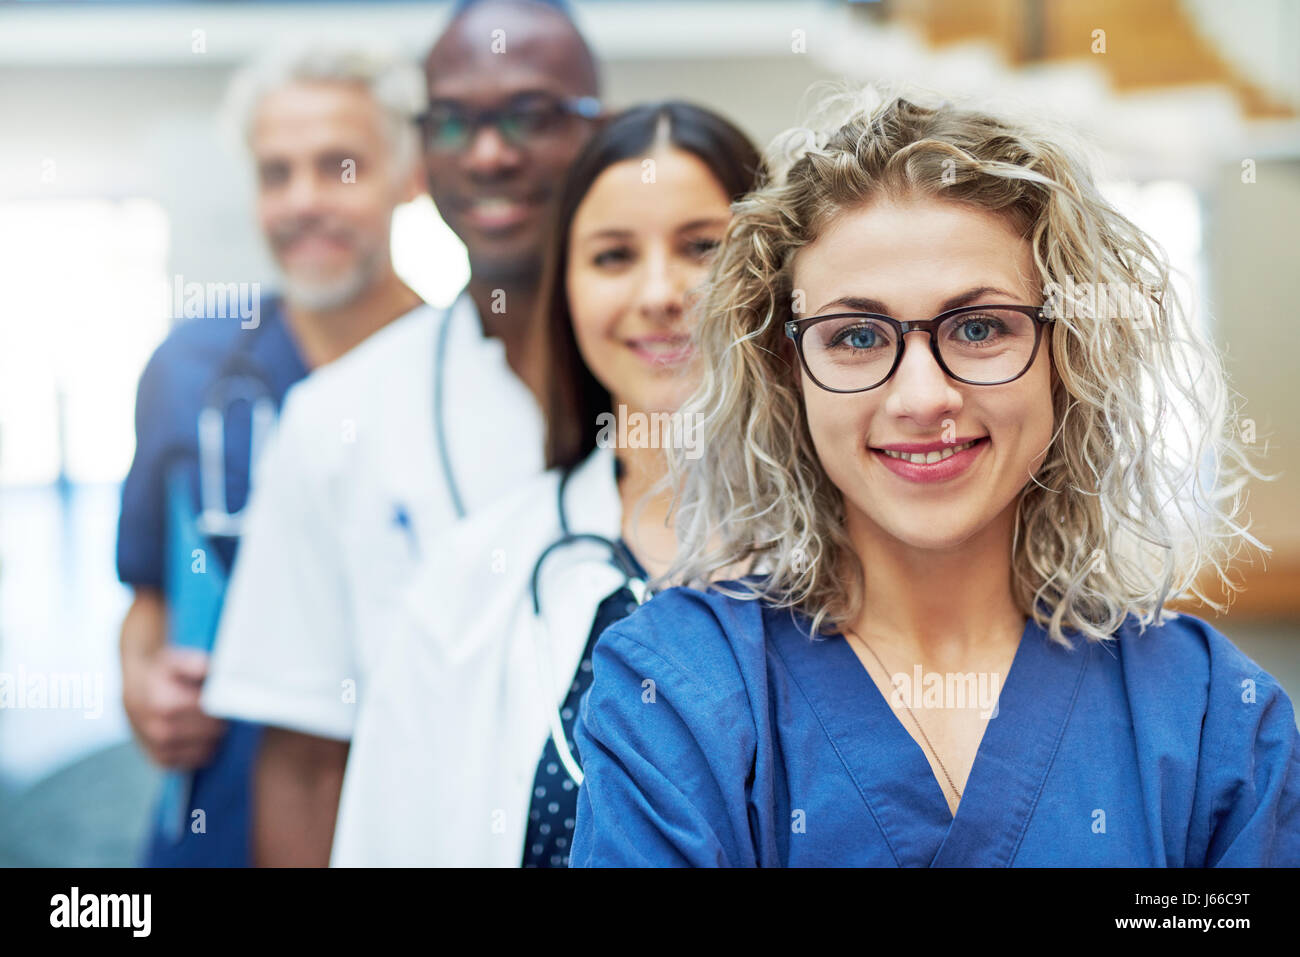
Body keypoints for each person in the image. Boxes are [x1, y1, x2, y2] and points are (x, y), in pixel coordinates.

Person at [570, 87, 1300, 867]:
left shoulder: (1211, 716)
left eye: (980, 327)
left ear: (1066, 352)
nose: (924, 398)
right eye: (855, 335)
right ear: (791, 370)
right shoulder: (678, 694)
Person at [200, 0, 604, 866]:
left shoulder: (703, 405)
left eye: (531, 114)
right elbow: (305, 762)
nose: (490, 152)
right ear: (425, 152)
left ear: (600, 135)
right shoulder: (336, 417)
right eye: (454, 120)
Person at [327, 101, 762, 866]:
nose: (660, 292)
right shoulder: (467, 577)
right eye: (613, 256)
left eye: (701, 246)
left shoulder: (855, 559)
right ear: (565, 291)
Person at [117, 42, 429, 867]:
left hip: (407, 816)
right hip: (216, 811)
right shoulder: (189, 367)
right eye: (275, 172)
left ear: (412, 174)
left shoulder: (466, 376)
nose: (303, 201)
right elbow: (146, 598)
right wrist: (142, 685)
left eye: (340, 166)